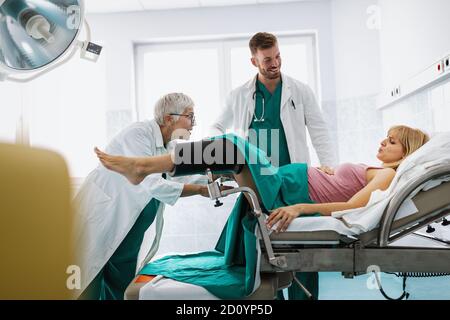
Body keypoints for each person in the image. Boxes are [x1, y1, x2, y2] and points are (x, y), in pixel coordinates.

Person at [93, 125, 429, 299]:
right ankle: (144, 166)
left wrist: (299, 207)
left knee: (231, 146)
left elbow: (353, 207)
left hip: (289, 191)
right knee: (228, 147)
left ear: (407, 151)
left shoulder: (387, 174)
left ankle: (142, 166)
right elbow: (346, 190)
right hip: (289, 180)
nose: (383, 143)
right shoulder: (376, 167)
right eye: (386, 137)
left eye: (392, 141)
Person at [74, 93, 213, 300]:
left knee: (121, 282)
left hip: (130, 228)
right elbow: (151, 183)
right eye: (190, 116)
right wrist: (200, 190)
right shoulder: (138, 134)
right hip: (103, 218)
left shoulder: (171, 145)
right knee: (87, 284)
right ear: (169, 119)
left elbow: (181, 176)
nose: (193, 123)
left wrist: (215, 179)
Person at [210, 32, 336, 172]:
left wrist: (328, 166)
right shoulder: (238, 96)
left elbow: (320, 132)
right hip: (257, 176)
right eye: (267, 60)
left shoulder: (301, 91)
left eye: (277, 56)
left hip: (293, 173)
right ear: (254, 62)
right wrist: (228, 148)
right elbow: (216, 126)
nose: (275, 63)